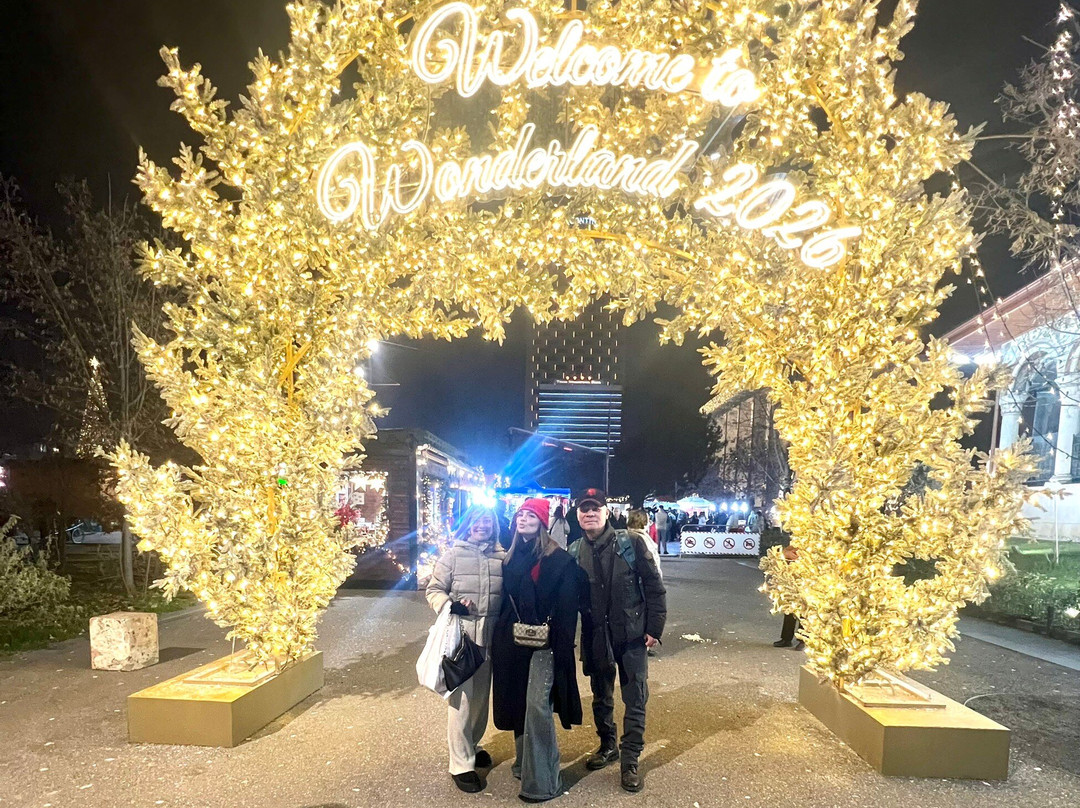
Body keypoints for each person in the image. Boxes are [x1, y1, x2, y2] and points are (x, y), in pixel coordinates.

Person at [491, 498, 588, 802]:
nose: (523, 518)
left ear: (543, 521)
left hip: (545, 643)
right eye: (520, 514)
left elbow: (568, 606)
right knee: (518, 701)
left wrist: (561, 646)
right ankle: (524, 763)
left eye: (531, 514)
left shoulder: (559, 560)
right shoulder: (508, 557)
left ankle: (543, 781)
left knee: (536, 705)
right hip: (512, 640)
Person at [570, 488, 666, 793]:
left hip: (632, 633)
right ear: (577, 515)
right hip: (596, 634)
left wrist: (655, 627)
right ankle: (607, 745)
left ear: (606, 511)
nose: (589, 513)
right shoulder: (574, 551)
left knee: (635, 697)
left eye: (595, 508)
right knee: (601, 696)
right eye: (584, 509)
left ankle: (630, 760)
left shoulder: (632, 542)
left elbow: (654, 586)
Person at [426, 505, 505, 793]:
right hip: (462, 634)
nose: (482, 525)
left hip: (491, 634)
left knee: (481, 698)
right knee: (460, 700)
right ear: (468, 524)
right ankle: (460, 764)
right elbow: (434, 589)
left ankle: (471, 744)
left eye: (487, 521)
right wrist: (451, 605)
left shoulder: (501, 557)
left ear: (494, 526)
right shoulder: (453, 555)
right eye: (476, 521)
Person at [773, 544, 803, 649]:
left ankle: (803, 640)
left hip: (807, 578)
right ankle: (786, 638)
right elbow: (784, 551)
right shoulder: (795, 541)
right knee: (789, 607)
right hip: (792, 577)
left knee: (805, 610)